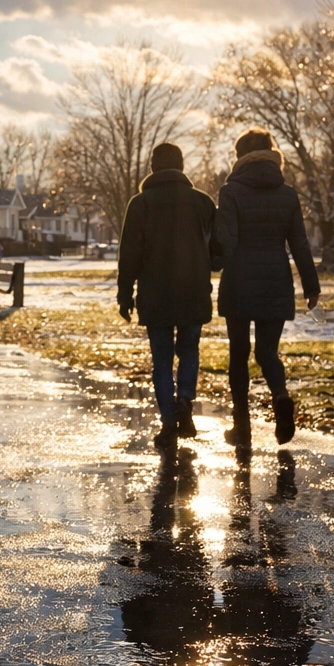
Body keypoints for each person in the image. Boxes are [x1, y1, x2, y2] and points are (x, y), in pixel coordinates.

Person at [215, 127, 320, 445]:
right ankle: (281, 397)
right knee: (266, 351)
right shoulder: (288, 194)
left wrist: (209, 263)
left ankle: (242, 427)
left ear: (241, 157)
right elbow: (300, 244)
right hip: (276, 279)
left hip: (239, 279)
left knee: (239, 353)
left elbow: (228, 241)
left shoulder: (230, 191)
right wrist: (311, 286)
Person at [117, 143, 220, 446]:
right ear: (182, 165)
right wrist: (204, 265)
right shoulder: (202, 203)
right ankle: (185, 401)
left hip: (155, 294)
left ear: (153, 166)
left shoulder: (141, 204)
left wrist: (125, 296)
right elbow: (218, 251)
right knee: (189, 350)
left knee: (161, 359)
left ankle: (168, 422)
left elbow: (129, 255)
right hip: (193, 292)